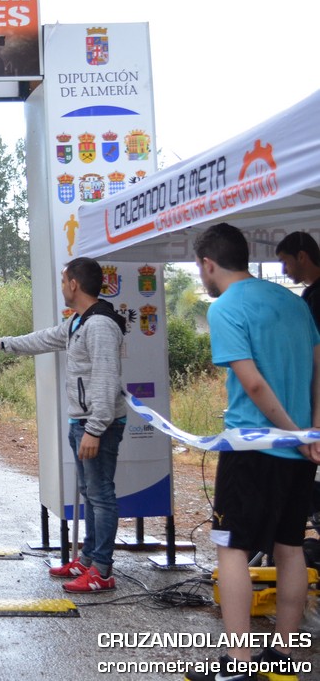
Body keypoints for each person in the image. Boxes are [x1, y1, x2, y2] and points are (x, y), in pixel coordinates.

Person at [184, 223, 320, 681]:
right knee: (290, 546)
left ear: (208, 264)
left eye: (200, 268)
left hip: (252, 447)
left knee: (232, 548)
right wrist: (311, 431)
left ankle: (237, 664)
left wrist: (295, 433)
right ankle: (282, 653)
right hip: (300, 451)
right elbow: (319, 368)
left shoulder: (226, 307)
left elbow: (255, 384)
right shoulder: (293, 301)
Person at [0, 256, 127, 593]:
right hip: (83, 421)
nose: (62, 287)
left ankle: (102, 571)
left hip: (97, 425)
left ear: (74, 284)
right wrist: (1, 343)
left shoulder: (100, 325)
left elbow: (106, 380)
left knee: (101, 495)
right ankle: (88, 561)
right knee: (90, 493)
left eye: (63, 281)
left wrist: (95, 429)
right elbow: (45, 339)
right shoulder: (79, 321)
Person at [274, 230, 320, 330]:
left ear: (301, 257)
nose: (283, 271)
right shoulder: (312, 294)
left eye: (285, 263)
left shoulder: (316, 296)